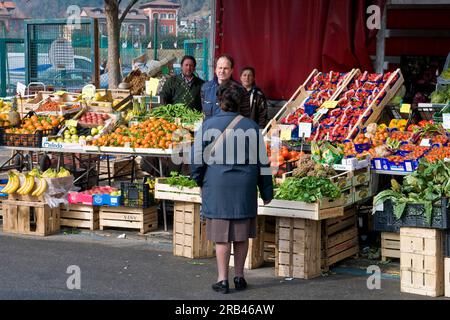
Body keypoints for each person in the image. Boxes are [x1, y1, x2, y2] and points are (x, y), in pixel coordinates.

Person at [190, 81, 273, 294]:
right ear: (241, 103)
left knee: (222, 236)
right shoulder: (252, 127)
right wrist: (267, 191)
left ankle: (222, 280)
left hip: (218, 186)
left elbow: (196, 159)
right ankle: (240, 277)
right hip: (244, 187)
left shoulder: (208, 125)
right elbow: (262, 163)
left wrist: (198, 179)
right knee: (241, 234)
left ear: (220, 101)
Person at [201, 54, 249, 121]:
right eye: (220, 68)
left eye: (225, 68)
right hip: (209, 130)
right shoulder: (205, 88)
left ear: (232, 70)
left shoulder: (240, 90)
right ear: (215, 69)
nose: (222, 71)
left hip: (231, 130)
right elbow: (203, 114)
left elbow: (245, 117)